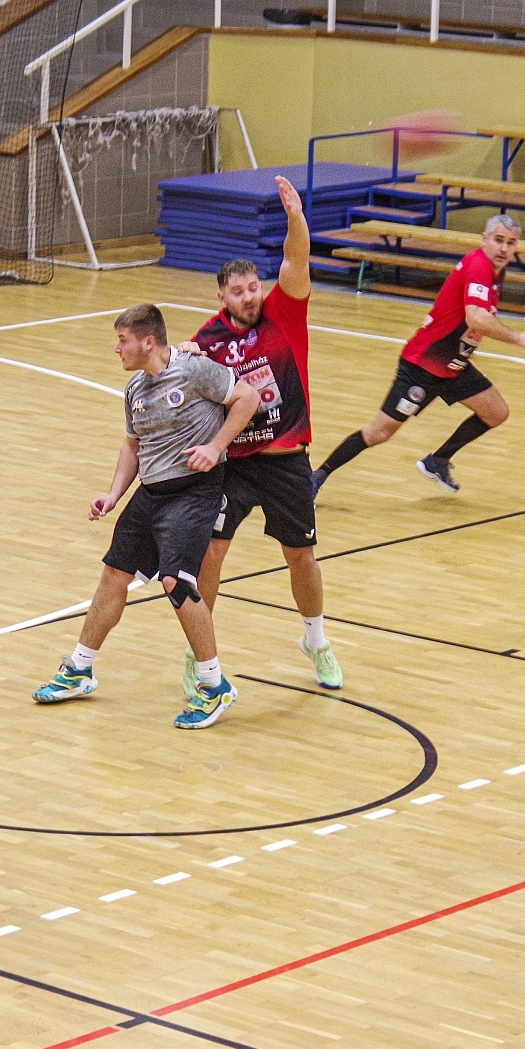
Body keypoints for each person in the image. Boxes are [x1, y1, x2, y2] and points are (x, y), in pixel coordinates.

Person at [32, 305, 260, 729]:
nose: (117, 349)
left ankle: (215, 685)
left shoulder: (194, 370)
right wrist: (113, 494)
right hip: (151, 493)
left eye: (123, 341)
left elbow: (248, 398)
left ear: (148, 341)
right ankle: (79, 670)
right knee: (113, 575)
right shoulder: (135, 387)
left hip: (194, 491)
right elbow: (132, 446)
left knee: (177, 581)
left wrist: (215, 447)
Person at [183, 176, 342, 694]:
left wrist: (296, 218)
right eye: (239, 291)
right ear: (222, 296)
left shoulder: (284, 310)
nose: (250, 296)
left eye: (253, 287)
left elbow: (296, 259)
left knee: (301, 556)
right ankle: (199, 654)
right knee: (211, 554)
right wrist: (180, 358)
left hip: (286, 459)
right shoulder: (207, 340)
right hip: (235, 464)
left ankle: (316, 641)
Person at [312, 214, 525, 494]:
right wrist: (518, 338)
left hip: (453, 366)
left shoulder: (495, 270)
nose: (504, 248)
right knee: (379, 433)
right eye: (498, 240)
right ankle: (316, 477)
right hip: (421, 366)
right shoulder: (478, 266)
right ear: (484, 239)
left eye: (510, 243)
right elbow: (476, 319)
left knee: (496, 412)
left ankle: (438, 461)